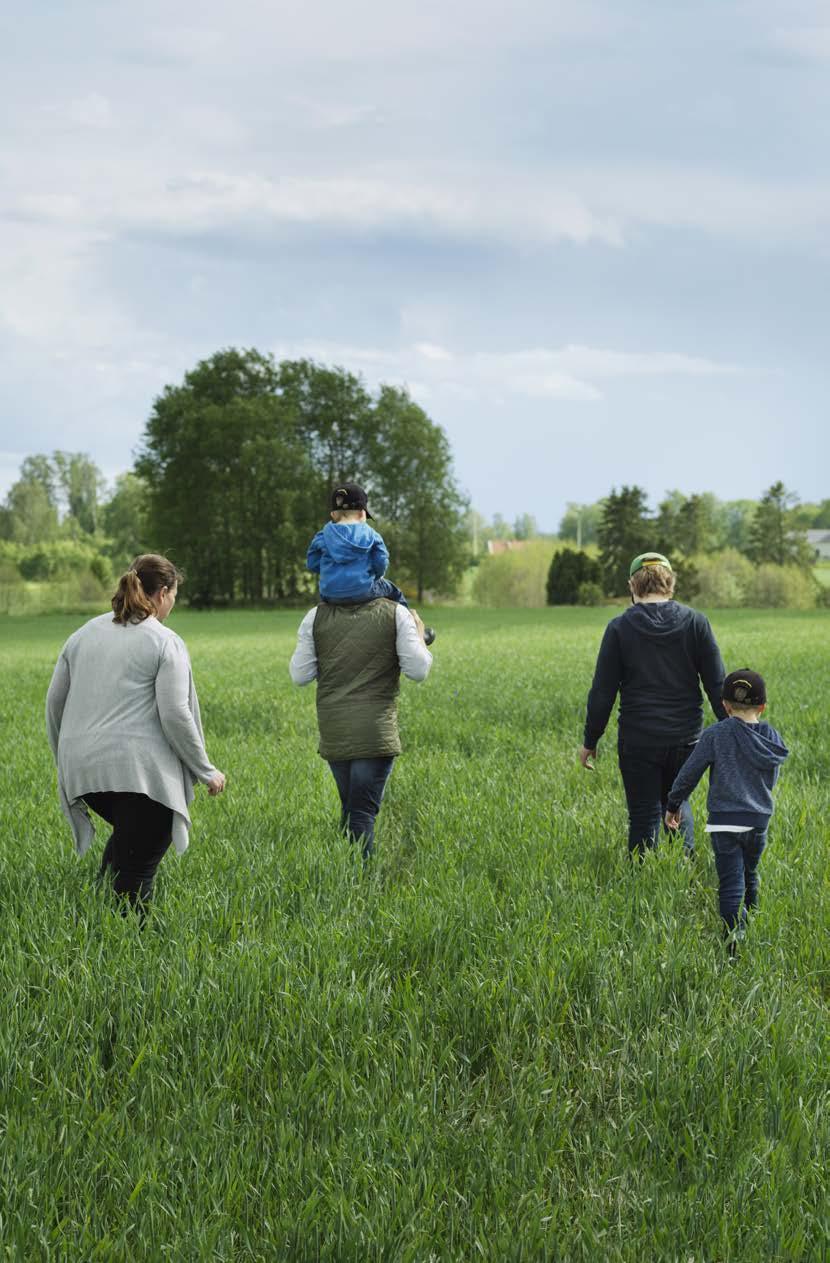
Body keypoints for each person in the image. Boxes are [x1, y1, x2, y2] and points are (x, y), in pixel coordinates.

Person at [45, 553, 226, 914]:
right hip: (137, 772)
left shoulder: (82, 635)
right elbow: (175, 713)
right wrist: (206, 770)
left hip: (86, 772)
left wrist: (66, 760)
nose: (173, 602)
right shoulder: (163, 640)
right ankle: (130, 942)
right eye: (174, 594)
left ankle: (94, 917)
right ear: (162, 594)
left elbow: (54, 705)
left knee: (129, 838)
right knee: (139, 868)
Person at [579, 552, 727, 857]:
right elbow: (717, 685)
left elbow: (602, 692)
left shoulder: (619, 628)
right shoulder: (696, 623)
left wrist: (591, 739)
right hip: (687, 739)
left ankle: (641, 885)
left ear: (632, 586)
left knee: (644, 813)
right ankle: (681, 875)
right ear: (670, 583)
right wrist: (734, 731)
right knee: (679, 804)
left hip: (638, 740)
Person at [289, 592, 433, 860]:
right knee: (363, 813)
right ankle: (360, 885)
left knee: (350, 807)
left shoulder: (315, 616)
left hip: (334, 729)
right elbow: (418, 670)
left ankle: (342, 874)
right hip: (375, 732)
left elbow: (300, 675)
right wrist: (419, 634)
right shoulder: (396, 613)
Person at [665, 669, 788, 949]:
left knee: (731, 882)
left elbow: (689, 773)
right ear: (762, 706)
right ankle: (751, 920)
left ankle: (734, 942)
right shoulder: (770, 738)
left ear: (725, 704)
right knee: (750, 873)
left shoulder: (716, 734)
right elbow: (771, 778)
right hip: (758, 821)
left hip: (724, 823)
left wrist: (674, 804)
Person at [307, 483, 436, 645]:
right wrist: (375, 575)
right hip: (363, 590)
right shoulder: (372, 535)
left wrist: (330, 570)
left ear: (333, 514)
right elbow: (381, 561)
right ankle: (415, 632)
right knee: (394, 591)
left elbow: (312, 564)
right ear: (362, 513)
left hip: (330, 594)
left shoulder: (322, 536)